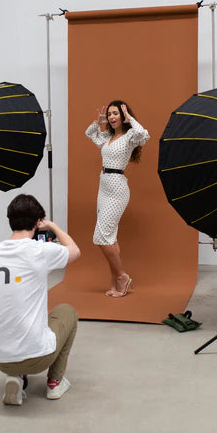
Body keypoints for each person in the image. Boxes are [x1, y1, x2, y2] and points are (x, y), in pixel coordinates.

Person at [0, 194, 81, 405]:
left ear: (10, 220)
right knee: (67, 312)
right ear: (37, 222)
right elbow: (75, 251)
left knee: (15, 312)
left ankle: (16, 377)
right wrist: (52, 226)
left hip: (1, 359)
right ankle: (54, 383)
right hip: (38, 358)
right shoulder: (40, 251)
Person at [85, 100, 150, 297]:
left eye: (116, 113)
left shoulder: (130, 136)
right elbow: (89, 133)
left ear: (123, 116)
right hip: (103, 186)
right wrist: (98, 122)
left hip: (117, 188)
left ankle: (122, 277)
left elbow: (144, 135)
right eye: (110, 114)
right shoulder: (108, 136)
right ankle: (114, 282)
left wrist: (130, 119)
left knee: (101, 236)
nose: (112, 117)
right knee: (110, 237)